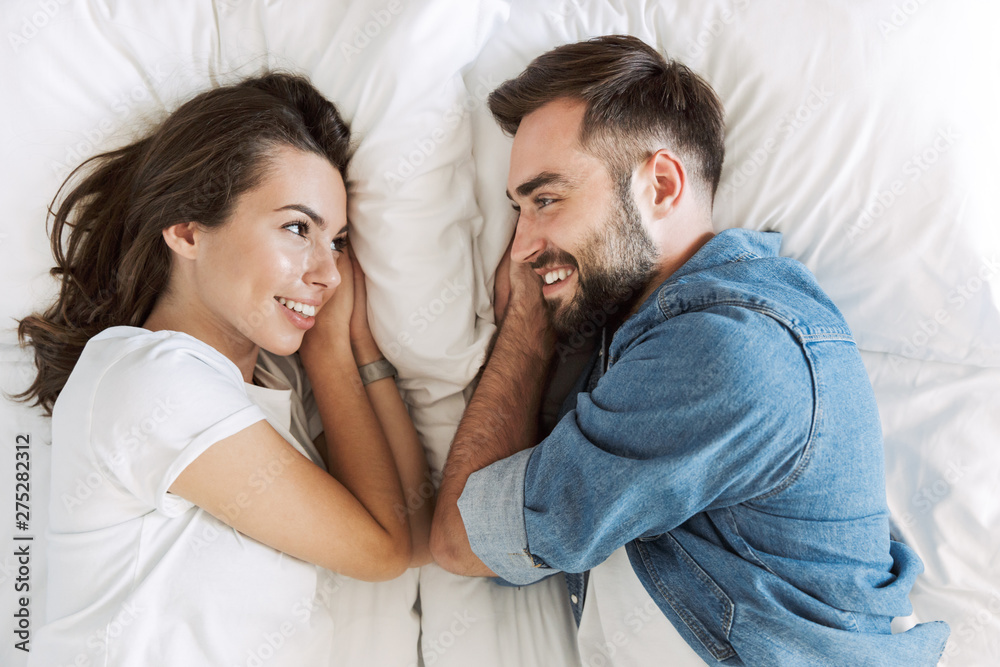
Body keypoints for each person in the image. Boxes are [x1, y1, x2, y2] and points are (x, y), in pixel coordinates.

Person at [429, 35, 950, 666]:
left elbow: (462, 540)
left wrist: (527, 329)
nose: (520, 247)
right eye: (518, 209)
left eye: (546, 200)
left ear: (661, 185)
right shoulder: (651, 333)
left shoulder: (723, 352)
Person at [14, 72, 434, 666]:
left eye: (337, 241)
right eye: (297, 228)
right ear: (187, 231)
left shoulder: (260, 395)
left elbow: (413, 532)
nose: (330, 274)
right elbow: (382, 550)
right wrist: (332, 356)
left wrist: (362, 350)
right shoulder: (149, 377)